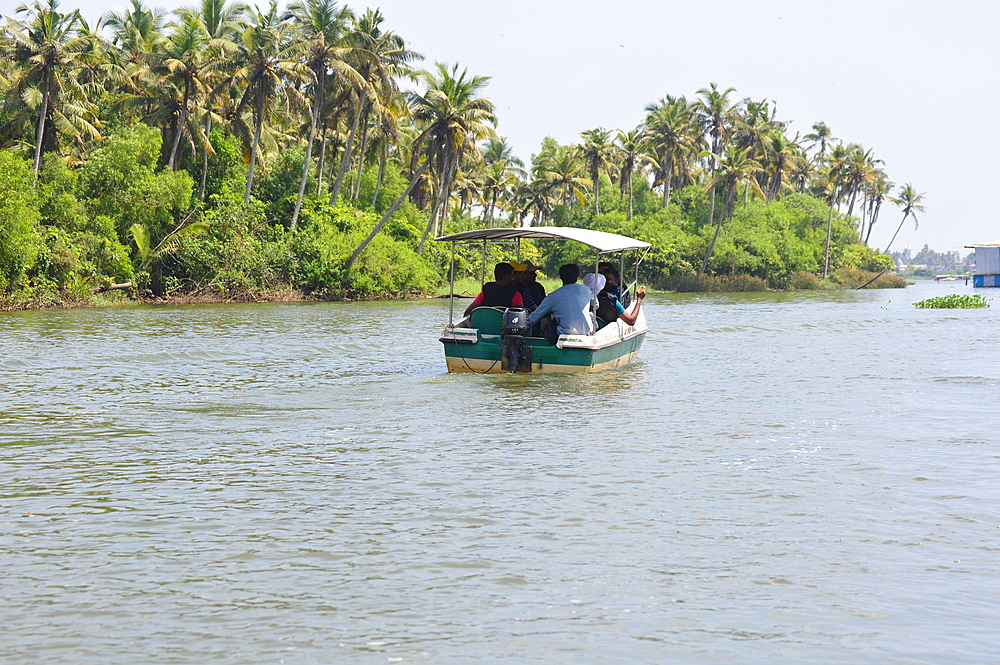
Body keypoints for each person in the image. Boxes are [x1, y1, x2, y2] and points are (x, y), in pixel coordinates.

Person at [528, 264, 595, 343]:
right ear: (577, 277)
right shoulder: (585, 289)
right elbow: (596, 305)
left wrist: (519, 325)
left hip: (564, 335)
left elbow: (534, 317)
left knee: (548, 332)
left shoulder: (553, 296)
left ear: (560, 277)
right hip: (587, 332)